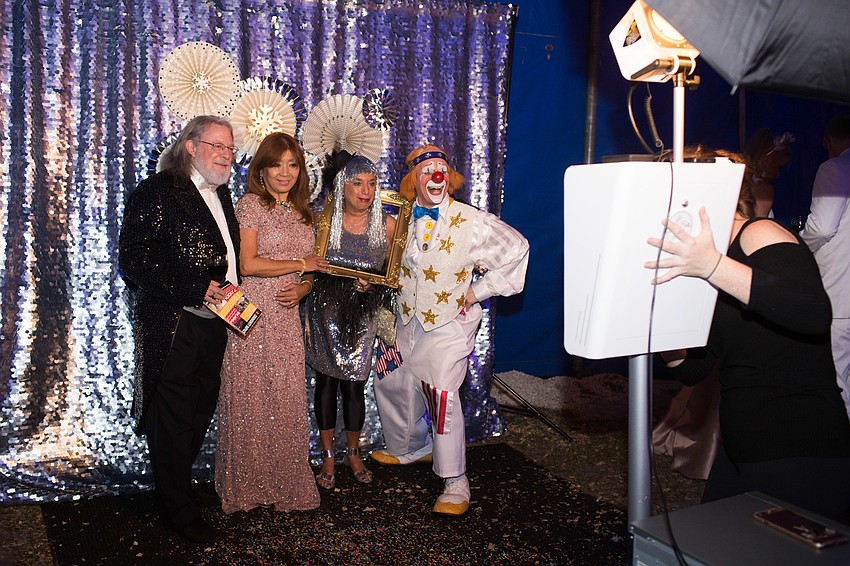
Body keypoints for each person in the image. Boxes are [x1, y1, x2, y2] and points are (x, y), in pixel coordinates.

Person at [645, 149, 850, 521]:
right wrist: (661, 329)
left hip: (798, 448)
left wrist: (714, 266)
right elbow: (694, 369)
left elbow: (813, 312)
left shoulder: (759, 234)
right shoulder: (706, 263)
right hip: (743, 448)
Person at [372, 145, 529, 516]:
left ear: (451, 177)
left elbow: (518, 249)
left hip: (448, 323)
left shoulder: (470, 220)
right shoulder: (404, 218)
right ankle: (410, 446)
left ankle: (456, 479)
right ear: (413, 180)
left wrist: (479, 291)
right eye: (427, 171)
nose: (436, 177)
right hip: (407, 318)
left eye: (441, 169)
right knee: (393, 380)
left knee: (441, 395)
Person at [118, 115, 240, 543]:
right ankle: (177, 510)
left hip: (216, 321)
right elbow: (133, 259)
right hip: (175, 321)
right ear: (190, 146)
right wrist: (195, 286)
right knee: (172, 416)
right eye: (218, 146)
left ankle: (176, 490)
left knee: (200, 407)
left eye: (231, 149)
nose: (227, 155)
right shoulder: (157, 191)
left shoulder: (221, 193)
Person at [214, 132, 327, 514]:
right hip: (254, 314)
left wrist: (305, 287)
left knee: (285, 399)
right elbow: (248, 265)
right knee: (250, 400)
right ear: (261, 169)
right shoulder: (251, 205)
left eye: (292, 164)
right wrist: (301, 267)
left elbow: (315, 269)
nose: (285, 172)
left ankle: (283, 485)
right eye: (276, 164)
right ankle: (246, 488)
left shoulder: (305, 212)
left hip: (287, 316)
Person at [305, 154, 396, 490]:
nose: (366, 191)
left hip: (361, 317)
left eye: (372, 183)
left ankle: (353, 453)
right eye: (358, 183)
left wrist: (373, 285)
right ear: (341, 186)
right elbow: (309, 267)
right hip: (325, 314)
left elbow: (392, 276)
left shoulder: (387, 226)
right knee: (326, 385)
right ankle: (328, 455)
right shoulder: (321, 222)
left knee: (355, 386)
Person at [800, 112, 850, 418]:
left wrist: (798, 248)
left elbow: (821, 228)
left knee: (837, 377)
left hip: (840, 290)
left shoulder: (835, 167)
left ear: (828, 141)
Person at [742, 128, 794, 218]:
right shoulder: (764, 189)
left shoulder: (739, 183)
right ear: (766, 162)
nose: (778, 175)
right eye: (778, 168)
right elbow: (759, 226)